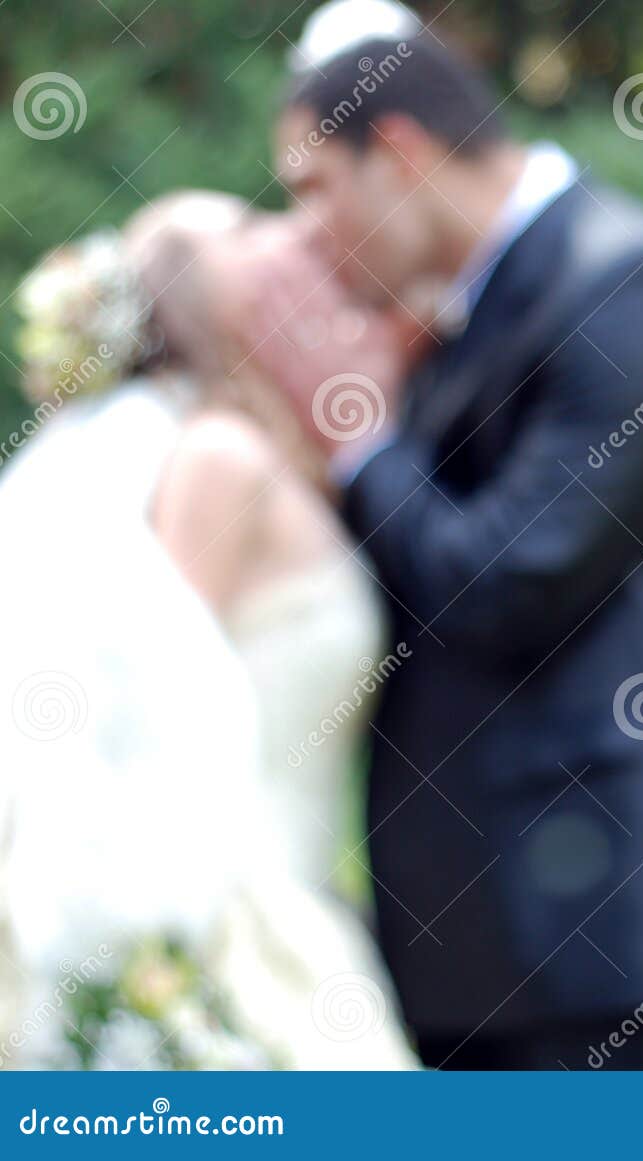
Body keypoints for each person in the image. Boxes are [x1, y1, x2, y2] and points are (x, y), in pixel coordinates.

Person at [244, 22, 643, 1068]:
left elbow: (509, 581)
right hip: (484, 928)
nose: (305, 231)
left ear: (402, 153)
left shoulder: (633, 287)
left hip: (602, 925)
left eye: (315, 188)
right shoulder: (471, 306)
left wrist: (361, 434)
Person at [0, 196, 416, 1069]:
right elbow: (153, 694)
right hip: (237, 908)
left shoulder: (258, 446)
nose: (286, 239)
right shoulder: (219, 462)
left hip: (299, 880)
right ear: (211, 292)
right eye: (249, 231)